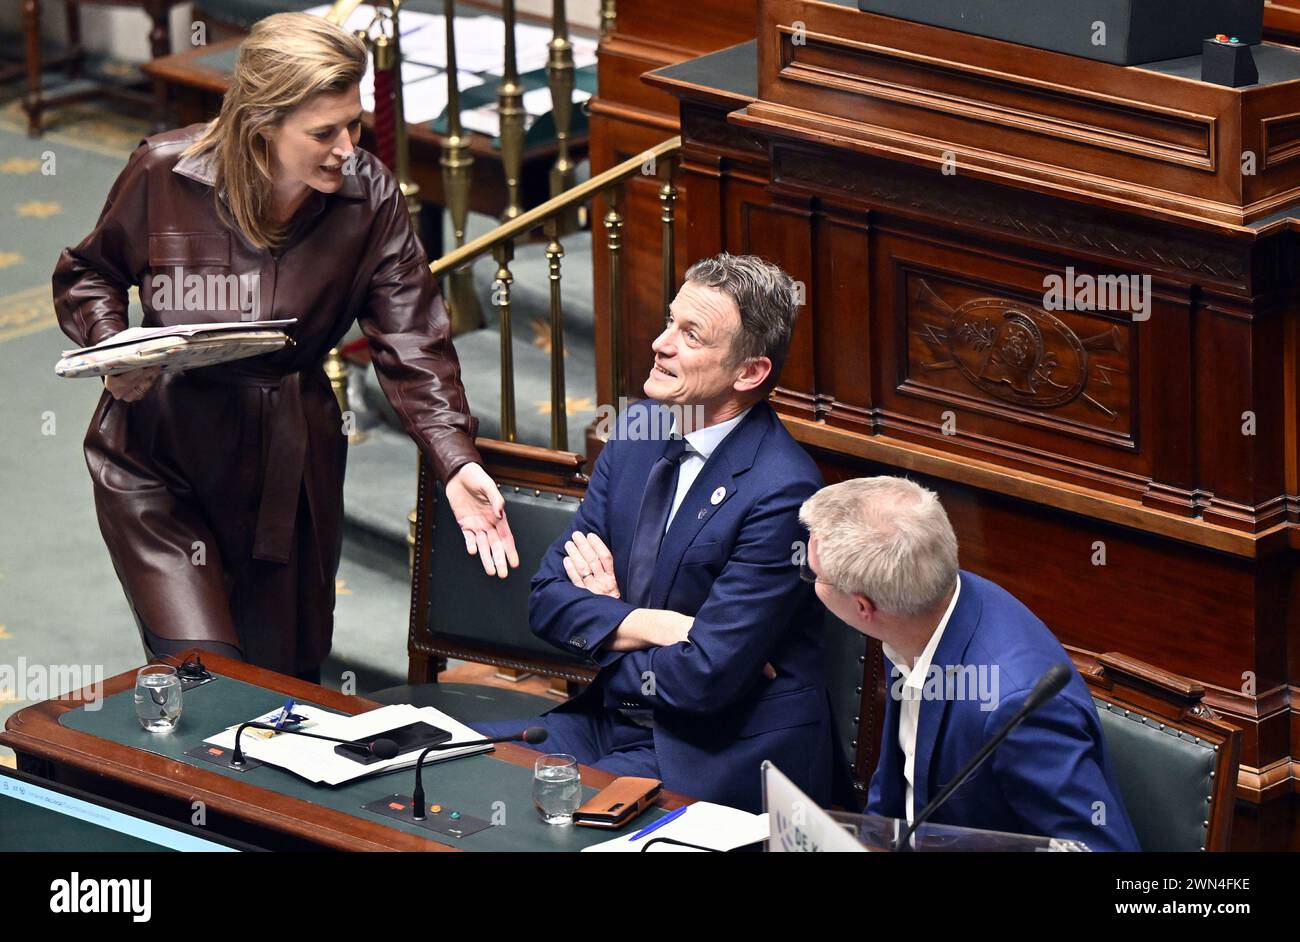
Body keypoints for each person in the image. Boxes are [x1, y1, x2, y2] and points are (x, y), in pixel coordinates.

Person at [52, 13, 517, 681]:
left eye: (353, 124)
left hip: (287, 473)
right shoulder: (162, 171)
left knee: (285, 679)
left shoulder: (371, 196)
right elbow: (88, 272)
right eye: (324, 132)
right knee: (206, 675)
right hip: (159, 460)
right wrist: (112, 344)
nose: (347, 148)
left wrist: (454, 457)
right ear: (261, 126)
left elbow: (414, 340)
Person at [474, 253, 834, 812]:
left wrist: (606, 617)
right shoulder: (639, 428)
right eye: (670, 321)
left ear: (749, 373)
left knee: (536, 823)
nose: (660, 343)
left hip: (712, 749)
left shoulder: (782, 489)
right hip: (608, 720)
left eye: (691, 335)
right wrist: (656, 624)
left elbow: (702, 681)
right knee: (464, 778)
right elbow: (547, 600)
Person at [799, 476, 1139, 850]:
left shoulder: (1013, 707)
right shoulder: (918, 604)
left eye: (814, 575)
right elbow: (899, 786)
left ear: (864, 608)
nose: (810, 580)